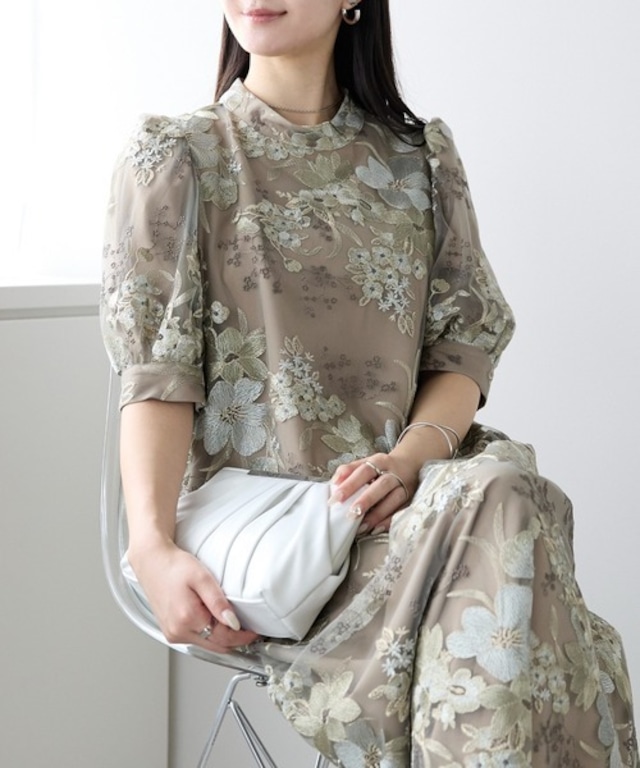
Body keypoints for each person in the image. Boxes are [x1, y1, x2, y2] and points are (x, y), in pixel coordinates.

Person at [100, 1, 637, 765]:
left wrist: (409, 462)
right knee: (505, 536)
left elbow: (463, 349)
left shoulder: (421, 162)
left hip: (411, 503)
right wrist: (151, 546)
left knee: (501, 500)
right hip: (271, 537)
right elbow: (157, 374)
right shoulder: (178, 157)